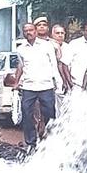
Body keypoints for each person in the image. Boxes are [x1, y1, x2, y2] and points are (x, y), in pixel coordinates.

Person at [15, 21, 62, 149]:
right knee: (26, 112)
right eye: (26, 31)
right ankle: (31, 142)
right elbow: (22, 66)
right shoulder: (21, 49)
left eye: (31, 30)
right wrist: (18, 82)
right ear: (23, 33)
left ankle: (49, 139)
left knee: (49, 112)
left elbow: (54, 64)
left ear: (35, 31)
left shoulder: (47, 46)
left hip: (45, 85)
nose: (28, 32)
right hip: (28, 86)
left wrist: (58, 82)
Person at [65, 19, 87, 92]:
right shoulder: (74, 44)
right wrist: (70, 83)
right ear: (83, 31)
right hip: (77, 86)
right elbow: (65, 64)